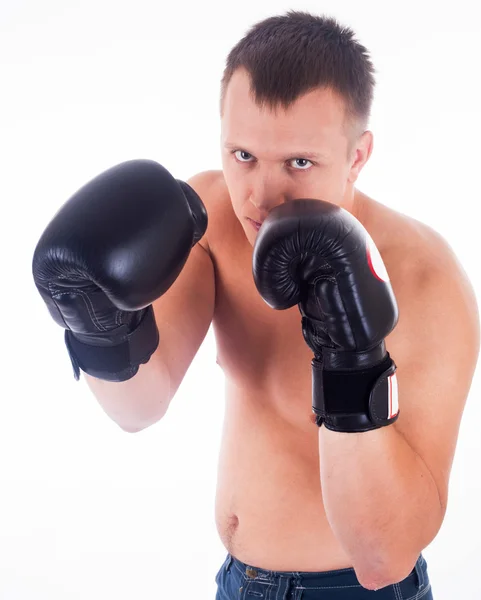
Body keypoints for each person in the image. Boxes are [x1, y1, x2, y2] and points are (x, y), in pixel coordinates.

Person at [32, 10, 479, 599]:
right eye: (242, 155)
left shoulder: (426, 281)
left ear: (357, 156)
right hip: (238, 584)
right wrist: (95, 323)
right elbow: (138, 406)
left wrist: (353, 355)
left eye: (299, 162)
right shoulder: (211, 218)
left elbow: (382, 559)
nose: (262, 196)